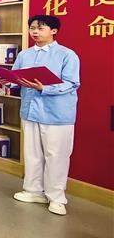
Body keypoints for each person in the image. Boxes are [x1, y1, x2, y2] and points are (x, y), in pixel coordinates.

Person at [12, 15, 80, 216]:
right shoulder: (24, 55)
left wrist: (45, 88)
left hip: (57, 113)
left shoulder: (67, 55)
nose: (34, 31)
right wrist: (11, 81)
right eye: (32, 28)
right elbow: (16, 76)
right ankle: (33, 191)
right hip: (30, 110)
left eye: (40, 28)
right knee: (32, 154)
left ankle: (56, 197)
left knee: (56, 156)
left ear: (54, 31)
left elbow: (72, 83)